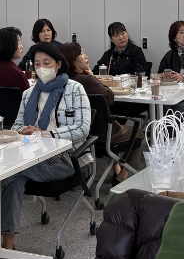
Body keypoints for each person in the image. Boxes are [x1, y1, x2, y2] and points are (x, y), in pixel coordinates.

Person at [0, 42, 90, 259]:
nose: (42, 68)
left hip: (64, 159)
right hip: (30, 158)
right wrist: (21, 132)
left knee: (9, 172)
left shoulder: (74, 89)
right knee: (13, 180)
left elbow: (83, 128)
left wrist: (47, 134)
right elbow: (16, 125)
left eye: (47, 63)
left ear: (58, 64)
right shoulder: (28, 93)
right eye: (37, 64)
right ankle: (7, 248)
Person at [61, 41, 142, 183]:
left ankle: (116, 167)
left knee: (114, 126)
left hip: (74, 135)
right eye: (81, 54)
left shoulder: (62, 80)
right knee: (137, 132)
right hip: (99, 134)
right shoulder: (86, 81)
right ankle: (123, 175)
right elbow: (109, 97)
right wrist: (92, 76)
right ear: (72, 60)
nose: (85, 56)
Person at [0, 27, 30, 91]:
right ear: (8, 46)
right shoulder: (18, 74)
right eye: (18, 43)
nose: (21, 46)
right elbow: (27, 97)